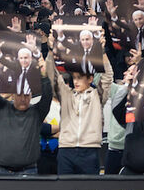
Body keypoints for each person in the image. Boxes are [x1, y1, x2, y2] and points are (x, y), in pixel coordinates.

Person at [45, 37, 114, 174]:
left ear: (90, 79)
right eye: (74, 77)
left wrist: (102, 52)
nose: (76, 81)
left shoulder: (97, 95)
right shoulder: (66, 95)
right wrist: (51, 51)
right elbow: (52, 76)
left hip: (90, 150)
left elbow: (107, 77)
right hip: (65, 150)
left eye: (80, 77)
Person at [0, 50, 52, 175]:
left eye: (27, 95)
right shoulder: (1, 108)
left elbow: (47, 97)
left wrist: (44, 76)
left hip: (29, 170)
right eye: (19, 95)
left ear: (31, 95)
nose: (23, 99)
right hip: (1, 170)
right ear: (13, 94)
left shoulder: (37, 113)